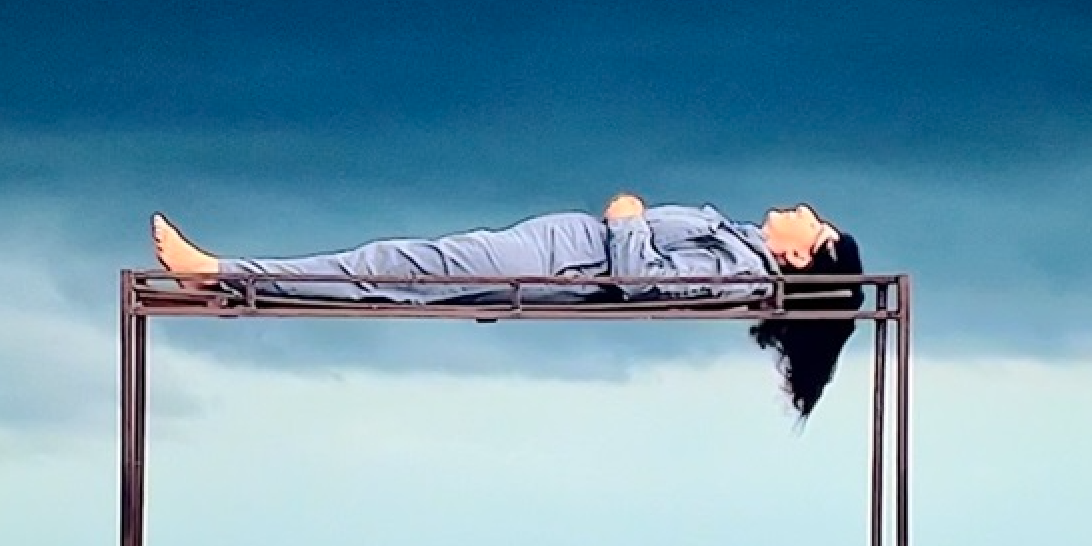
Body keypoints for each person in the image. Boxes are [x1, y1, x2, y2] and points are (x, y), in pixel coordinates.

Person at [148, 194, 865, 420]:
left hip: (552, 264)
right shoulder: (741, 246)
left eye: (816, 223)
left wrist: (627, 218)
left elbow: (643, 282)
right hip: (551, 249)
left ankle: (217, 272)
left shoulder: (741, 268)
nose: (804, 209)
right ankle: (224, 277)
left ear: (802, 258)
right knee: (391, 266)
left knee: (390, 268)